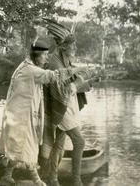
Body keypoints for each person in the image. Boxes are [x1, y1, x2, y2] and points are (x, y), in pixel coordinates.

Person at [0, 37, 88, 186]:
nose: (47, 59)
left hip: (18, 115)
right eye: (44, 55)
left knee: (19, 147)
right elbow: (53, 76)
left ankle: (7, 175)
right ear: (36, 55)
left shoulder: (25, 66)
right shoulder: (30, 71)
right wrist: (78, 70)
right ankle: (38, 181)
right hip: (22, 118)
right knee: (29, 148)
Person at [40, 19, 96, 186]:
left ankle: (52, 179)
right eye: (73, 46)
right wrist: (81, 82)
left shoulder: (64, 60)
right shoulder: (53, 61)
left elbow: (72, 83)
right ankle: (76, 180)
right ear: (64, 46)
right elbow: (61, 87)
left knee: (59, 143)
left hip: (66, 105)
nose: (75, 48)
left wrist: (87, 81)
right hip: (59, 106)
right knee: (79, 142)